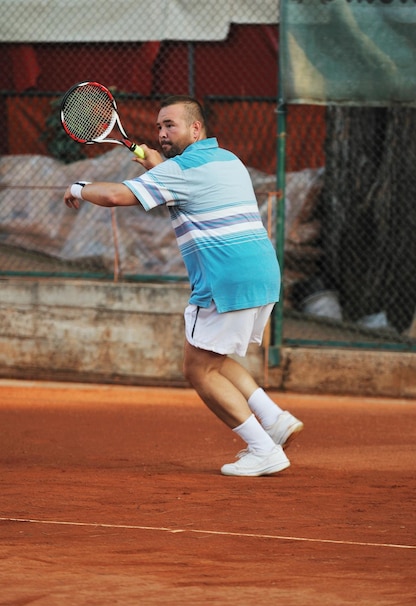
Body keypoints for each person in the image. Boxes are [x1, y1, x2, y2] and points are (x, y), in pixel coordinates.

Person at [64, 95, 303, 476]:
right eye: (158, 127)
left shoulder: (180, 171)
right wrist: (156, 166)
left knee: (198, 370)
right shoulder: (226, 160)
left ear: (196, 127)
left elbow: (113, 195)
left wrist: (79, 186)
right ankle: (274, 419)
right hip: (261, 273)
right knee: (216, 358)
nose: (161, 133)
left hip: (225, 279)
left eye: (170, 125)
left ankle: (264, 449)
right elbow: (178, 181)